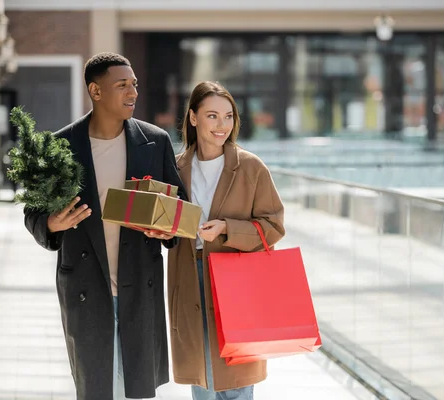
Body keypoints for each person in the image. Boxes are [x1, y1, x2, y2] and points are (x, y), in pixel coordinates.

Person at [23, 52, 185, 400]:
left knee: (136, 388)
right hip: (84, 284)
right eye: (122, 85)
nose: (133, 92)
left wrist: (168, 230)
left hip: (140, 282)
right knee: (95, 387)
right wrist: (53, 223)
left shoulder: (155, 141)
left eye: (135, 85)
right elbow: (33, 213)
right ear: (96, 92)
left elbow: (179, 208)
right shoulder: (60, 146)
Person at [167, 81, 285, 400]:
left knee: (236, 383)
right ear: (193, 118)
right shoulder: (176, 169)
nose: (223, 126)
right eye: (212, 116)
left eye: (228, 116)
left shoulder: (250, 168)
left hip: (237, 284)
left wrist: (227, 229)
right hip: (190, 279)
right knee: (202, 381)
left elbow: (273, 225)